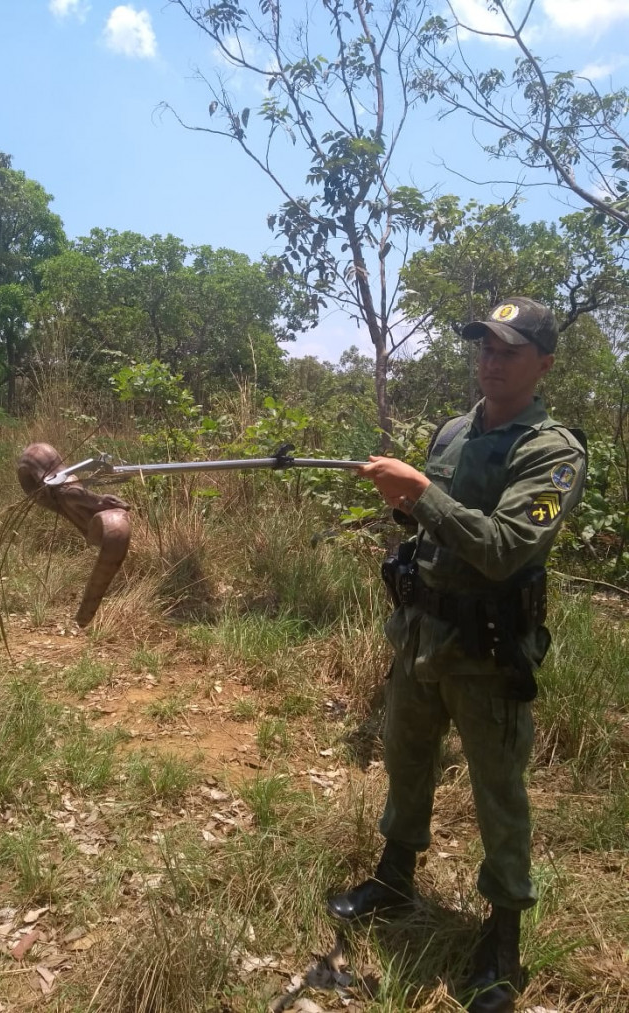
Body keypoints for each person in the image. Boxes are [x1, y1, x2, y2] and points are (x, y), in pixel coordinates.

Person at [327, 297, 586, 1013]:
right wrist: (403, 503)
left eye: (507, 349)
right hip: (421, 634)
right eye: (483, 346)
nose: (491, 360)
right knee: (404, 754)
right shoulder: (452, 430)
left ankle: (502, 940)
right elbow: (428, 522)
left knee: (497, 792)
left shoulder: (553, 450)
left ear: (542, 363)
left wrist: (423, 492)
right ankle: (394, 873)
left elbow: (505, 549)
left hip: (487, 648)